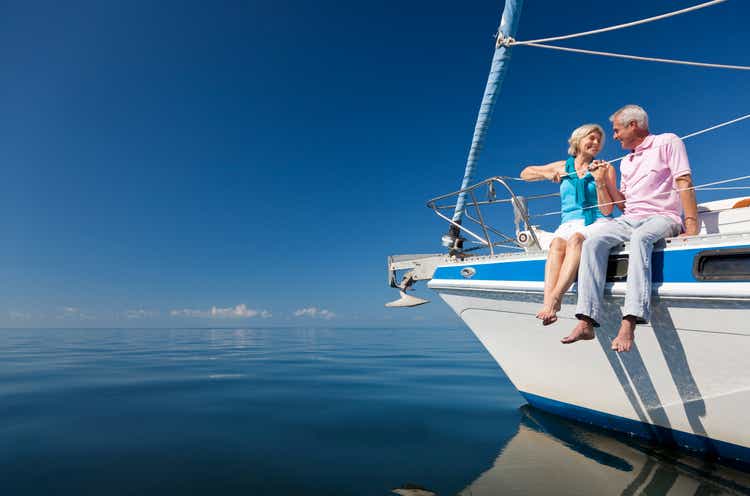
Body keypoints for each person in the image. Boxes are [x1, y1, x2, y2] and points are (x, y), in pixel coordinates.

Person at [563, 104, 699, 351]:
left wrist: (691, 226)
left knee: (640, 238)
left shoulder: (668, 141)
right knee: (593, 242)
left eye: (616, 130)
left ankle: (629, 322)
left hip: (662, 216)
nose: (613, 136)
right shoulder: (626, 162)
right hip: (630, 218)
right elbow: (623, 205)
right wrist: (602, 181)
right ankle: (586, 321)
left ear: (633, 125)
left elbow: (684, 180)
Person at [520, 124, 617, 325]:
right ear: (578, 141)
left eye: (599, 140)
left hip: (596, 220)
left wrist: (599, 181)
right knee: (556, 245)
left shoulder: (605, 168)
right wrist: (547, 175)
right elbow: (525, 173)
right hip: (568, 222)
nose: (596, 143)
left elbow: (608, 210)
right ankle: (548, 301)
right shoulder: (563, 166)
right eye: (591, 138)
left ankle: (555, 299)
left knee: (575, 240)